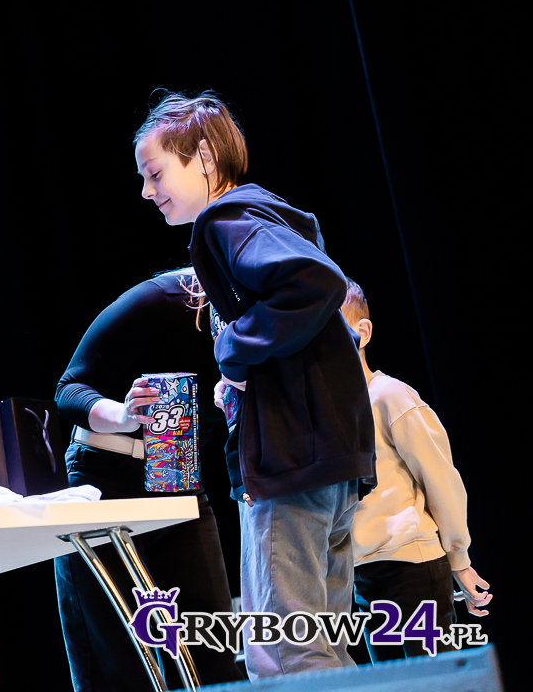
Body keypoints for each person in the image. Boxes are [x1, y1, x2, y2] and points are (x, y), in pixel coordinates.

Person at [133, 91, 373, 679]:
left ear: (203, 156)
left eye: (155, 173)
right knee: (325, 647)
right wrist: (246, 375)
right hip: (331, 457)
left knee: (285, 652)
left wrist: (231, 349)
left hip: (291, 461)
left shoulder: (225, 220)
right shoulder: (267, 215)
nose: (146, 191)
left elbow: (317, 283)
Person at [54, 268, 244, 691]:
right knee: (116, 661)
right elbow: (69, 389)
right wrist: (124, 416)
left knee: (210, 651)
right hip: (104, 476)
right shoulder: (159, 300)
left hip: (178, 474)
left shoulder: (264, 327)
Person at [340, 279, 491, 661]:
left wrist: (459, 559)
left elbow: (440, 477)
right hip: (363, 573)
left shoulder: (389, 396)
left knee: (433, 681)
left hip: (411, 565)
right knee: (392, 682)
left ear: (362, 332)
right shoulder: (329, 415)